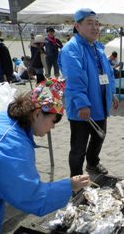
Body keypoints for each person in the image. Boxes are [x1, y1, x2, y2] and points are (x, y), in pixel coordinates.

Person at [0, 79, 90, 232]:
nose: (53, 127)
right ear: (36, 114)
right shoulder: (13, 147)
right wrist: (70, 186)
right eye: (53, 120)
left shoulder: (6, 120)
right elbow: (33, 198)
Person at [59, 8, 119, 177]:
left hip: (100, 103)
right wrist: (82, 103)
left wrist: (112, 93)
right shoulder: (71, 49)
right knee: (78, 147)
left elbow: (109, 74)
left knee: (99, 136)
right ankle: (76, 179)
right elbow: (74, 79)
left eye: (97, 23)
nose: (95, 27)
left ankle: (92, 163)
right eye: (90, 23)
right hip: (82, 109)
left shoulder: (98, 48)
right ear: (77, 26)